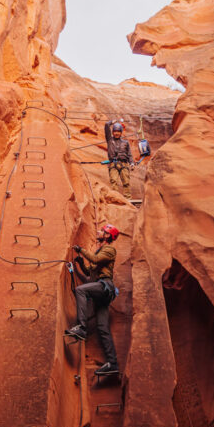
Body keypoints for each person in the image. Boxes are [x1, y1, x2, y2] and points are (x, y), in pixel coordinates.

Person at [65, 224, 120, 375]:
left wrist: (81, 250)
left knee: (80, 290)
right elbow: (90, 273)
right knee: (102, 328)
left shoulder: (109, 250)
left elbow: (95, 259)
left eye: (102, 231)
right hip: (101, 292)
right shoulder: (101, 251)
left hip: (105, 287)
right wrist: (81, 263)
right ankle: (113, 364)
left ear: (107, 236)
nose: (98, 232)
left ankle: (82, 328)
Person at [104, 119, 133, 199]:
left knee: (126, 182)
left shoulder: (125, 143)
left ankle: (128, 198)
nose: (116, 133)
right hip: (113, 164)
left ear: (121, 132)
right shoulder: (110, 140)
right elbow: (106, 125)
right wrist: (112, 121)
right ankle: (115, 198)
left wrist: (132, 163)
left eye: (118, 131)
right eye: (115, 131)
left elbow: (129, 154)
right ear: (113, 132)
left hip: (124, 164)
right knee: (114, 181)